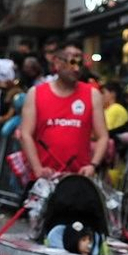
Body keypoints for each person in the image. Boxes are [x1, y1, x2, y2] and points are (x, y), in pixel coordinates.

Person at [17, 41, 107, 179]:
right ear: (57, 63)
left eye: (80, 63)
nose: (76, 69)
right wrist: (38, 168)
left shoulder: (92, 94)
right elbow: (25, 134)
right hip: (44, 179)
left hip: (78, 178)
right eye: (71, 62)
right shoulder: (35, 93)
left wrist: (93, 165)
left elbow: (102, 136)